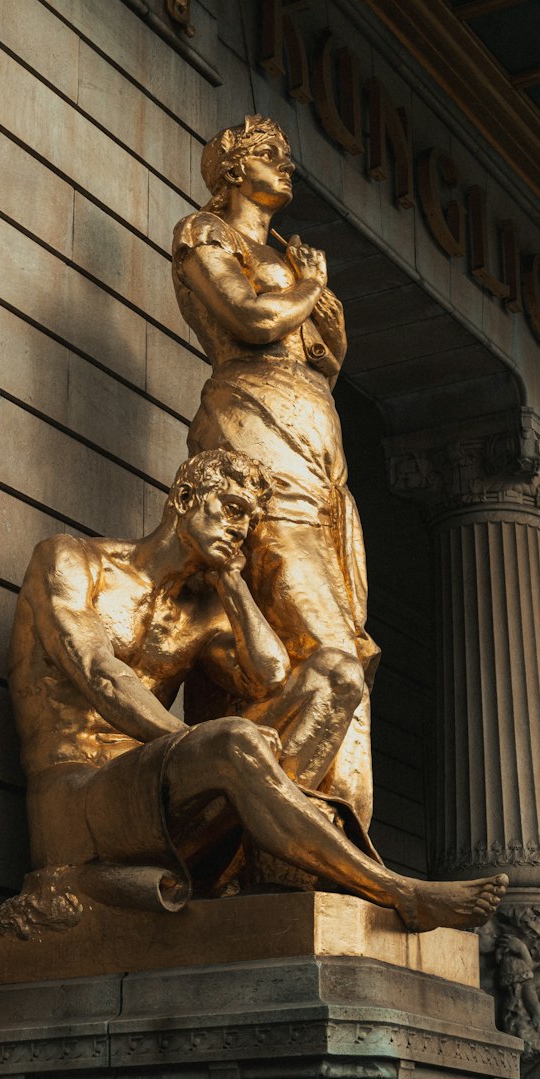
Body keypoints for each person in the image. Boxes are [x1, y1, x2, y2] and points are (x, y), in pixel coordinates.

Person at [7, 448, 507, 931]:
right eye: (231, 509)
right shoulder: (71, 560)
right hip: (73, 797)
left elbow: (269, 676)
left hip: (155, 793)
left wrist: (232, 582)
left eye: (248, 521)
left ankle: (268, 877)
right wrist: (193, 743)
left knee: (337, 673)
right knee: (230, 742)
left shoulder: (200, 612)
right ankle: (397, 891)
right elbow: (99, 671)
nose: (240, 528)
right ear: (183, 498)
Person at [172, 116, 377, 842]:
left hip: (319, 457)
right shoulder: (205, 234)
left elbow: (316, 354)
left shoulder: (287, 254)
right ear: (229, 170)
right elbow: (251, 317)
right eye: (266, 155)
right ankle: (243, 834)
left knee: (340, 649)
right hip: (254, 434)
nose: (283, 166)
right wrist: (309, 286)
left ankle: (330, 831)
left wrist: (332, 331)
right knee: (327, 657)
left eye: (286, 156)